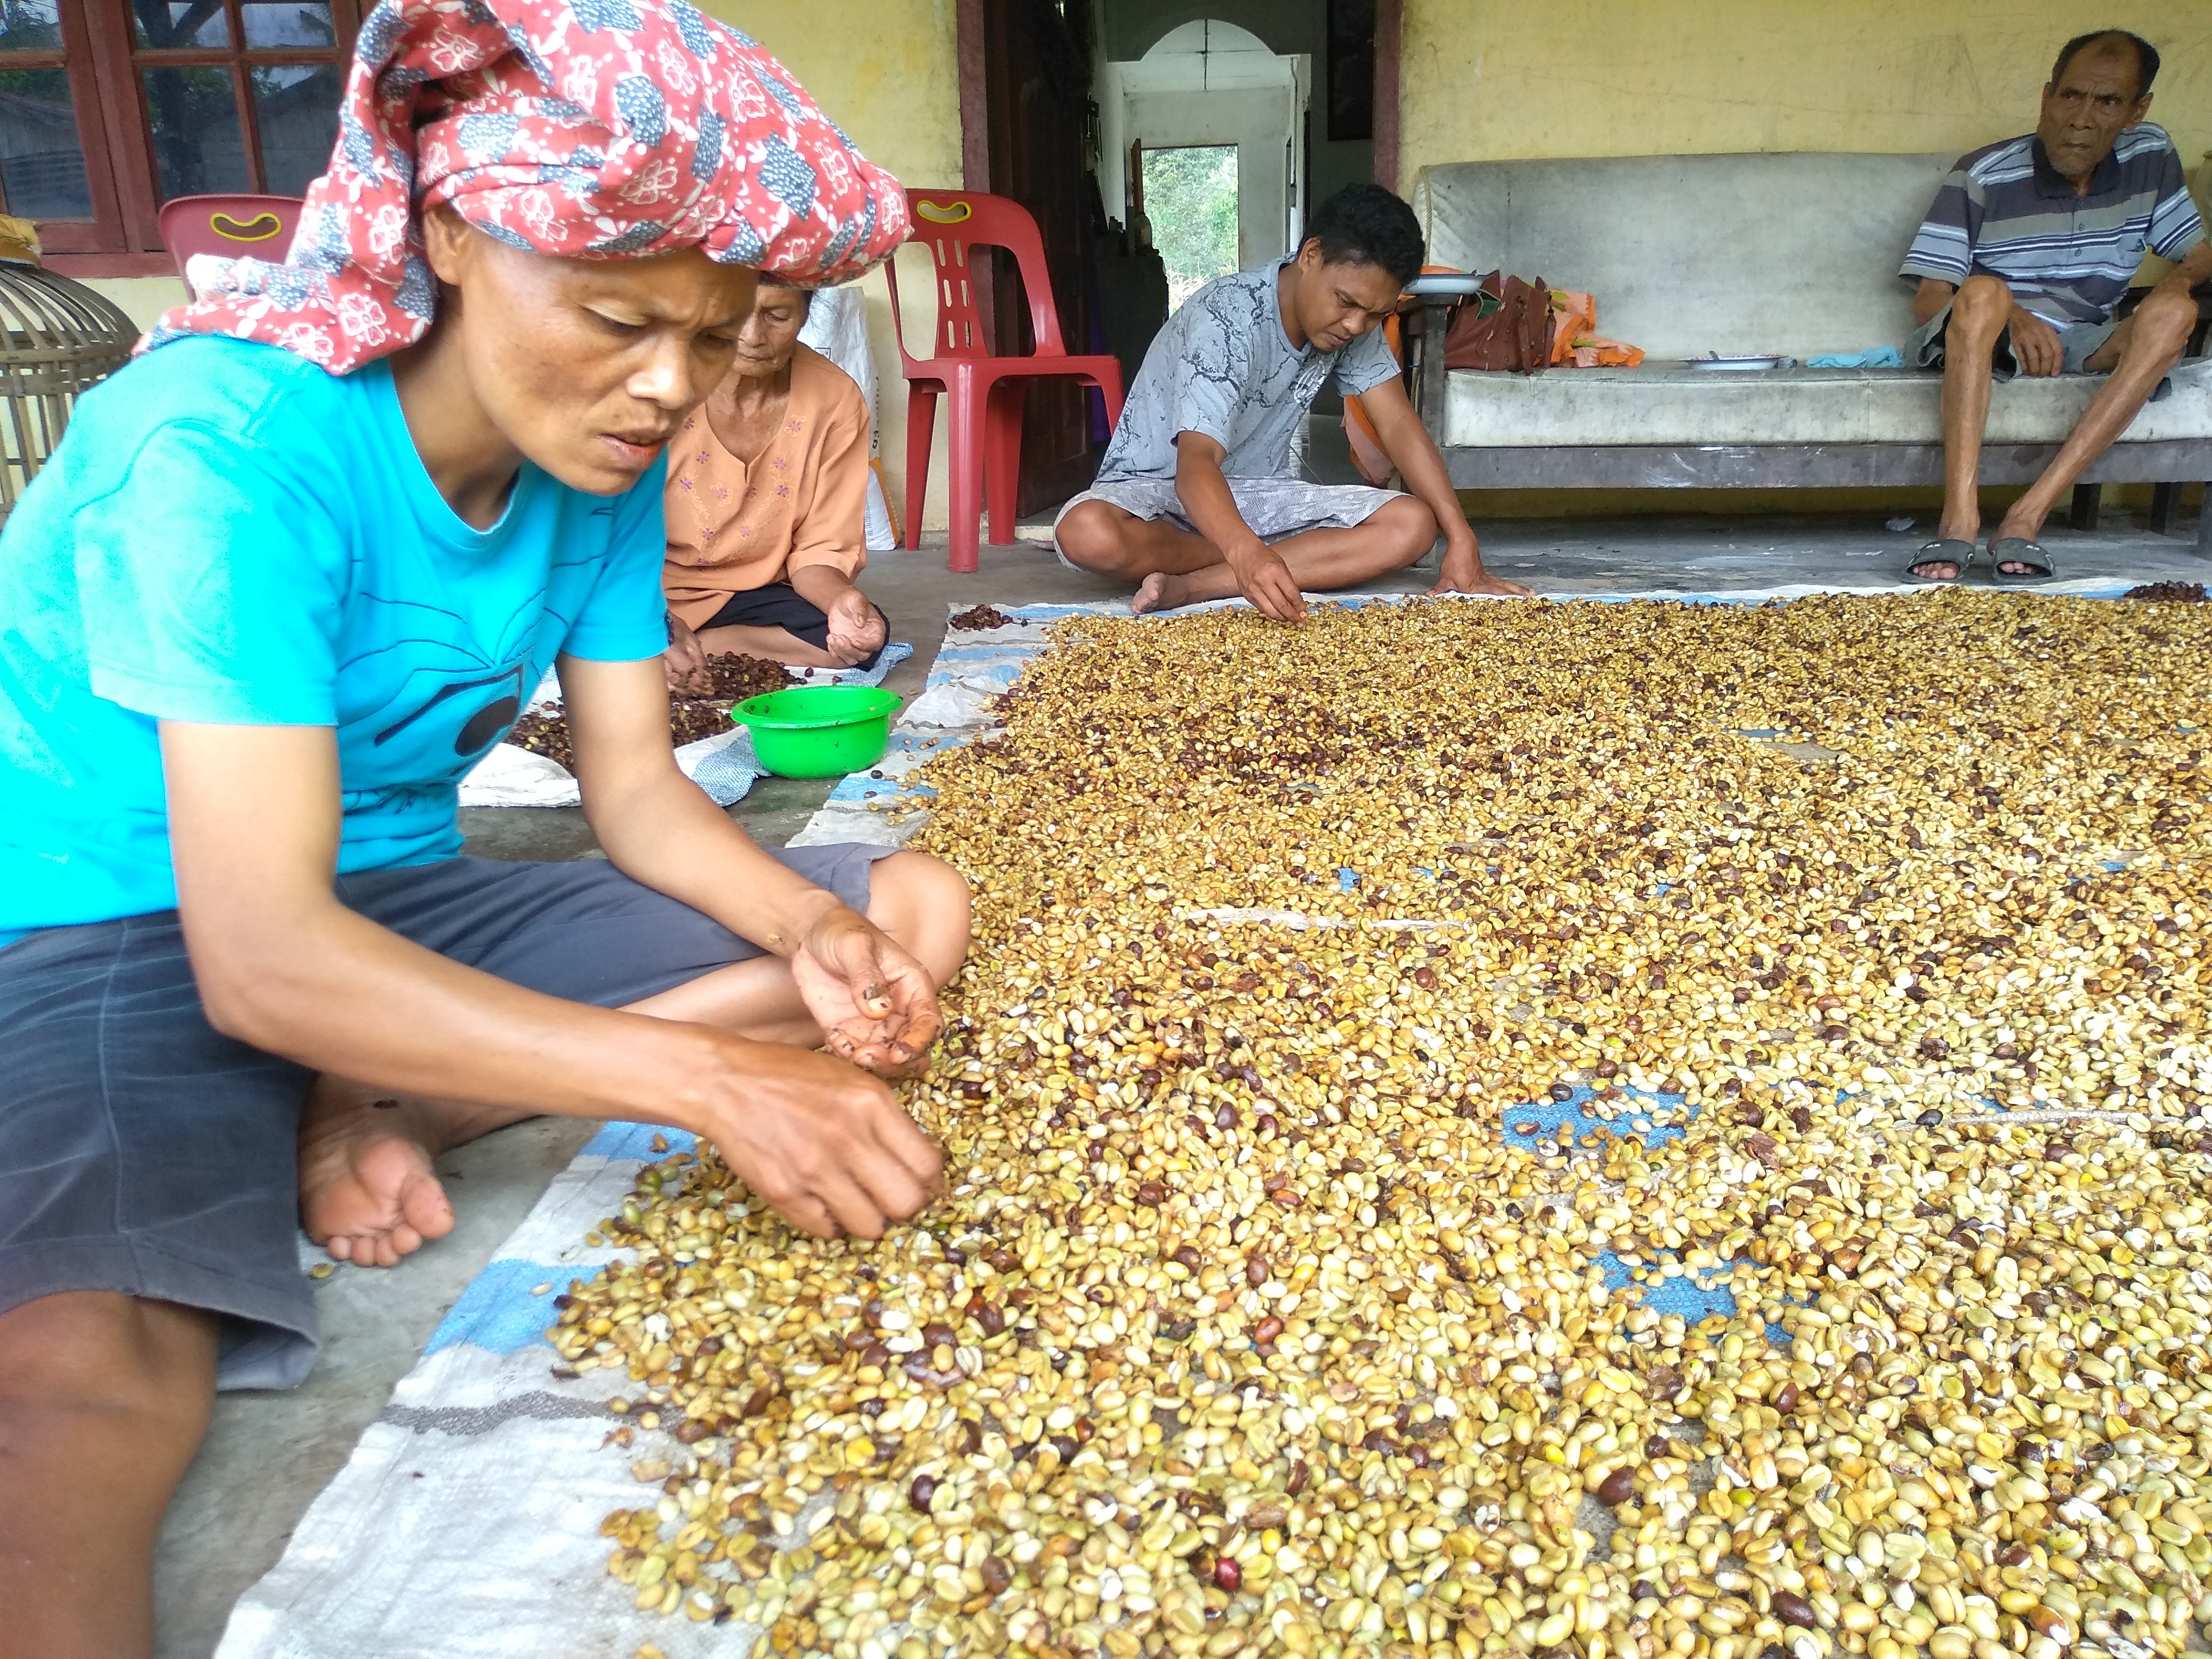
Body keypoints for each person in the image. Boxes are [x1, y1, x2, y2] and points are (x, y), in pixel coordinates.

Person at [0, 4, 972, 1653]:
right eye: (614, 318)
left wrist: (816, 936)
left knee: (909, 913)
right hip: (109, 923)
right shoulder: (230, 448)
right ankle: (338, 1084)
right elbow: (254, 953)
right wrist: (709, 1079)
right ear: (449, 230)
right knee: (83, 1380)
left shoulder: (597, 466)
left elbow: (640, 792)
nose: (666, 384)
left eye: (709, 328)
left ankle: (370, 1103)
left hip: (379, 902)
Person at [1054, 183, 1533, 619]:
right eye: (1345, 302)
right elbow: (1194, 465)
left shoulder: (1356, 325)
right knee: (1087, 533)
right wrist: (1246, 551)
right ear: (1310, 255)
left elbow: (1399, 424)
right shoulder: (1226, 318)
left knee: (1413, 524)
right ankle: (1269, 559)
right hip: (1157, 495)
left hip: (1259, 500)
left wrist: (1461, 535)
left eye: (1375, 314)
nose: (1354, 326)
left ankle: (1197, 586)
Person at [1899, 29, 2209, 585]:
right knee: (1984, 291)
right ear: (2046, 98)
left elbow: (2198, 255)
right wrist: (2014, 313)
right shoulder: (1983, 173)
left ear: (2137, 110)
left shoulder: (2150, 157)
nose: (2082, 118)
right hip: (1987, 334)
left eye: (2108, 102)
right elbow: (1930, 300)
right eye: (2070, 96)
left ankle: (2026, 517)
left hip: (2086, 340)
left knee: (2176, 311)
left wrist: (2176, 281)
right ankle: (1958, 519)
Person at [661, 274, 890, 691]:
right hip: (646, 588)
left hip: (752, 593)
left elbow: (821, 549)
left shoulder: (833, 400)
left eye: (776, 315)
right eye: (736, 314)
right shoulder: (663, 387)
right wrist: (654, 622)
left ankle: (702, 646)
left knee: (857, 638)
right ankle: (658, 645)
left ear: (805, 314)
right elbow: (599, 538)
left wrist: (840, 599)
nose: (752, 336)